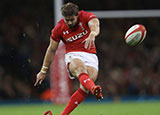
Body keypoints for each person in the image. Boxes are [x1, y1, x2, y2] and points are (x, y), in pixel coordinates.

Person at [34, 2, 103, 115]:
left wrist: (93, 34)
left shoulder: (85, 16)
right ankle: (94, 89)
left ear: (77, 15)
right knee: (80, 69)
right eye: (67, 20)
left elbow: (95, 24)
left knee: (85, 87)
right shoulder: (59, 28)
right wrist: (43, 70)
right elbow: (51, 49)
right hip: (73, 54)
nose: (70, 22)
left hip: (90, 55)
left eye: (72, 20)